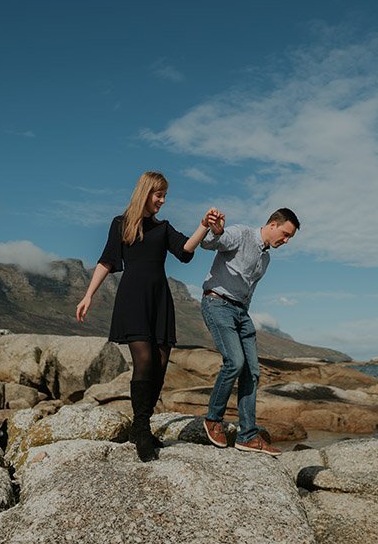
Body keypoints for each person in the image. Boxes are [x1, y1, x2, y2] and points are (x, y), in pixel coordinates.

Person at [76, 171, 217, 462]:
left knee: (161, 362)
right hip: (133, 298)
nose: (163, 201)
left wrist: (203, 226)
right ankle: (141, 428)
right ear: (146, 192)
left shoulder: (163, 228)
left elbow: (185, 251)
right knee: (144, 360)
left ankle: (142, 424)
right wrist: (89, 294)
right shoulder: (121, 224)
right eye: (159, 195)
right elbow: (107, 260)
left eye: (164, 195)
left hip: (159, 299)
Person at [199, 207, 300, 456]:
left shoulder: (266, 258)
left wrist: (243, 314)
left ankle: (247, 436)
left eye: (289, 238)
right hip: (217, 303)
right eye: (285, 234)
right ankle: (213, 419)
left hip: (241, 313)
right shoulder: (241, 233)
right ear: (273, 224)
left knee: (252, 372)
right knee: (234, 362)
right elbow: (211, 243)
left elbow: (248, 290)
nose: (285, 241)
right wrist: (216, 230)